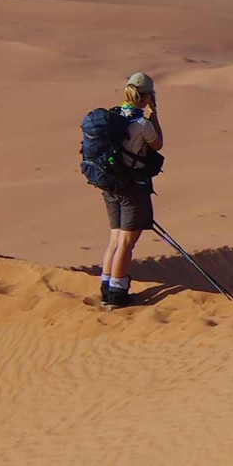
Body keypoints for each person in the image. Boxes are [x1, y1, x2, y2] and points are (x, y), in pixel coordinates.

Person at [95, 73, 164, 308]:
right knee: (126, 243)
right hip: (132, 188)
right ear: (146, 96)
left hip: (111, 186)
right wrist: (154, 114)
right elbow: (157, 144)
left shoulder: (113, 117)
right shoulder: (142, 124)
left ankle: (106, 288)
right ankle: (117, 294)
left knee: (115, 239)